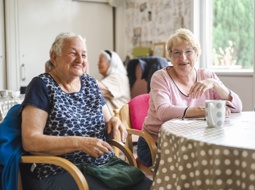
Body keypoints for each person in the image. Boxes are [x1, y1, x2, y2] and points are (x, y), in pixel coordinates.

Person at [20, 32, 152, 190]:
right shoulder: (41, 85)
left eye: (83, 55)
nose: (80, 60)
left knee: (151, 187)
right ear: (54, 56)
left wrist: (114, 122)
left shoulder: (90, 84)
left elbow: (108, 125)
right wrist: (80, 143)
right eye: (73, 53)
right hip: (59, 169)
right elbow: (30, 141)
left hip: (103, 166)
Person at [137, 28, 243, 166]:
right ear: (170, 55)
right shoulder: (160, 77)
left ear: (197, 54)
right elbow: (164, 112)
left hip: (196, 142)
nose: (183, 58)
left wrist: (216, 85)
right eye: (177, 52)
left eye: (188, 51)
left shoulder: (208, 76)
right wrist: (206, 110)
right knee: (199, 164)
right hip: (157, 143)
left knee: (224, 160)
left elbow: (238, 107)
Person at [97, 50, 130, 116]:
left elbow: (95, 89)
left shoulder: (118, 77)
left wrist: (83, 72)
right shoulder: (106, 78)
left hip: (120, 120)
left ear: (110, 63)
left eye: (100, 61)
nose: (98, 64)